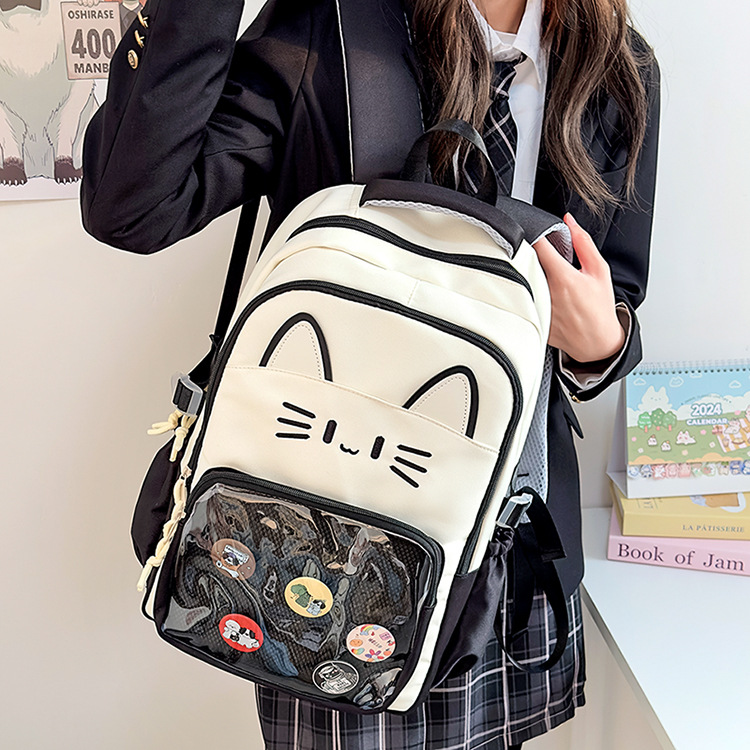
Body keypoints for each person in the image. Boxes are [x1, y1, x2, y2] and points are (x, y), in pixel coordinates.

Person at [80, 0, 660, 747]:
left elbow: (616, 292)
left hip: (504, 543)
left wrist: (602, 341)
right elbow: (132, 207)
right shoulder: (332, 24)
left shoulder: (617, 62)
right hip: (326, 541)